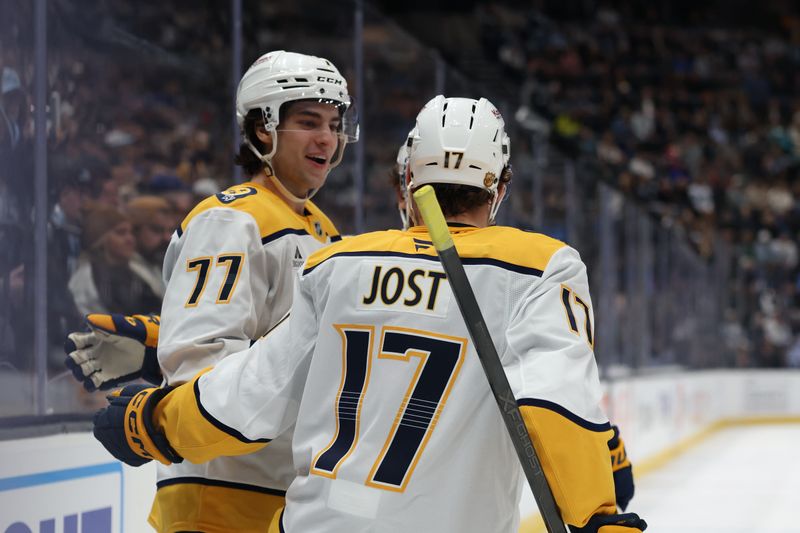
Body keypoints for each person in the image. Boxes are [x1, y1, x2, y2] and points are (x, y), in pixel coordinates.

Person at [92, 95, 645, 533]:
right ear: (498, 189)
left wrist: (155, 423)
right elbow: (553, 403)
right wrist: (597, 515)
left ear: (406, 180)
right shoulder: (539, 265)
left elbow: (255, 390)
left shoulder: (340, 262)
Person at [78, 50, 356, 533]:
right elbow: (202, 368)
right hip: (220, 495)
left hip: (287, 491)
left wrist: (154, 346)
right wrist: (163, 399)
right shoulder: (232, 218)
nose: (326, 139)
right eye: (309, 122)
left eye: (334, 124)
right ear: (263, 127)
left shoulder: (322, 229)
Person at [68, 203, 162, 317]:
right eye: (121, 232)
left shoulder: (140, 269)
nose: (130, 239)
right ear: (100, 239)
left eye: (131, 232)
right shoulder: (85, 278)